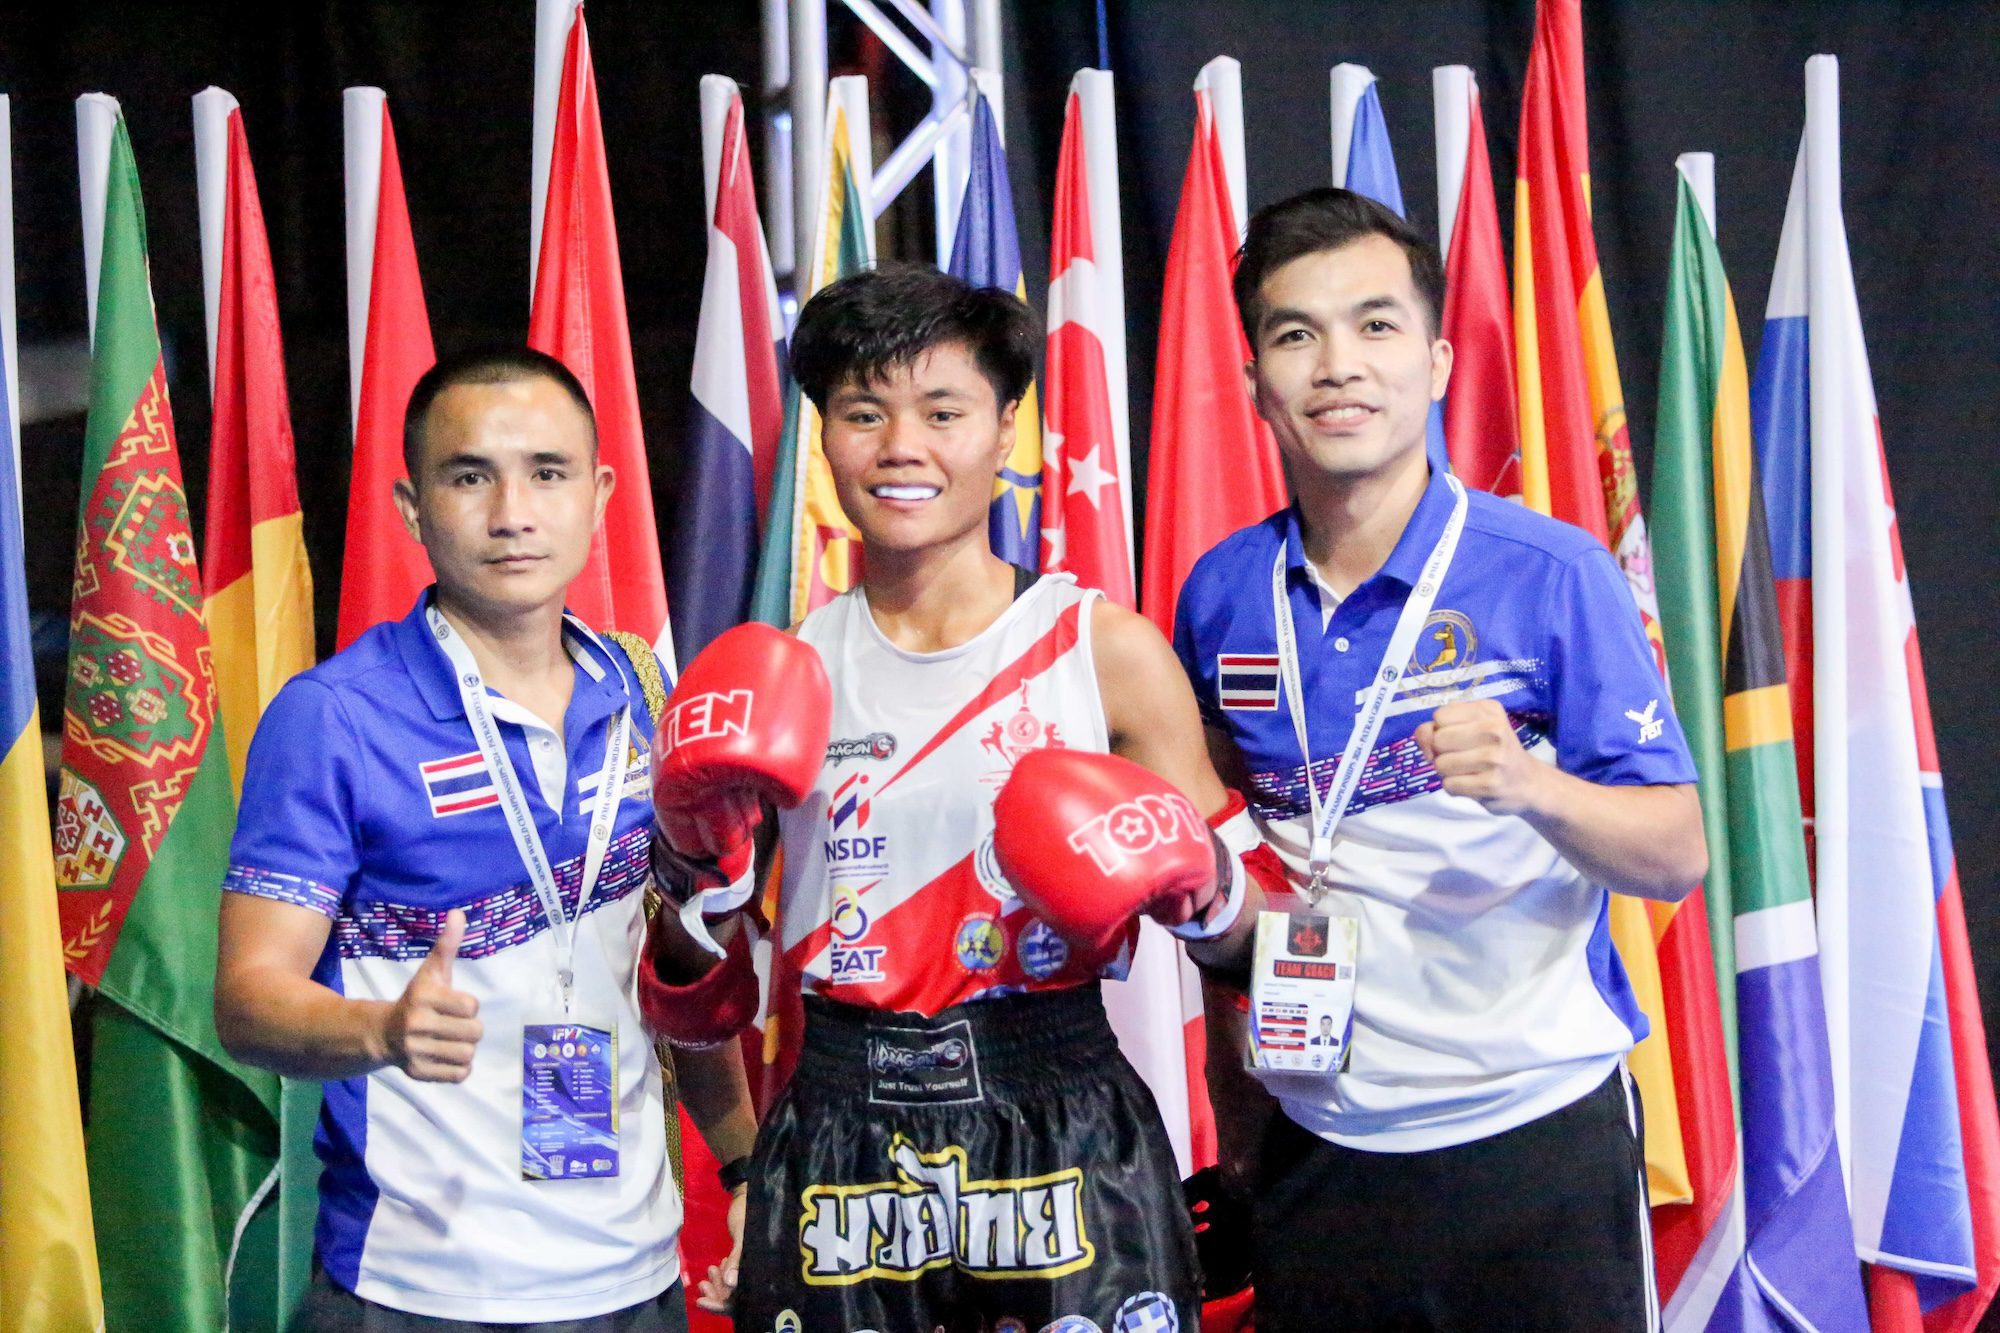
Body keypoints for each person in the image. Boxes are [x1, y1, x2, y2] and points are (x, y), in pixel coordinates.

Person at [637, 264, 1277, 1332]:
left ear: (1005, 428)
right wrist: (744, 1163)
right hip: (839, 1125)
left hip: (1060, 1108)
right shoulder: (782, 674)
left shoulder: (1100, 651)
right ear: (824, 436)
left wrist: (1248, 1149)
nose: (902, 446)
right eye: (863, 412)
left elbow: (1245, 945)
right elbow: (693, 995)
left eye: (942, 411)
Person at [1171, 188, 1707, 1330]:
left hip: (1534, 1136)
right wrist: (1235, 1104)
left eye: (1375, 325)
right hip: (1319, 1142)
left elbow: (1675, 854)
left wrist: (1531, 785)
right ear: (1256, 379)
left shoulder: (1550, 573)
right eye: (1295, 334)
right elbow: (1225, 866)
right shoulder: (1220, 594)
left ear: (1437, 361)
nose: (1338, 366)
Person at [213, 347, 755, 1329]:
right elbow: (248, 1000)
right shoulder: (333, 717)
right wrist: (381, 1030)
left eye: (547, 473)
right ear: (412, 507)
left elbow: (671, 970)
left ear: (597, 495)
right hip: (419, 1288)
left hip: (635, 1277)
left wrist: (746, 1164)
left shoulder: (640, 691)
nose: (512, 512)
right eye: (470, 477)